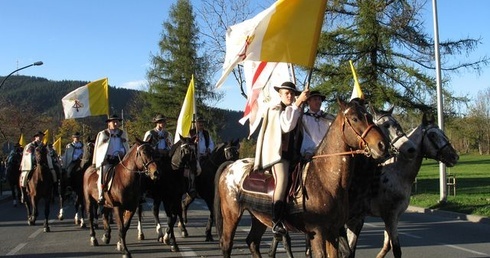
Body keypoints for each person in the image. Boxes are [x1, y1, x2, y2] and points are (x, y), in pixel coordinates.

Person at [254, 81, 309, 235]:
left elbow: (302, 134)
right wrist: (298, 103)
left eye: (292, 93)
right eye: (287, 93)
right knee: (283, 181)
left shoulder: (296, 111)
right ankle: (277, 221)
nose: (290, 96)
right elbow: (287, 125)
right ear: (280, 94)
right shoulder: (275, 109)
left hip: (294, 155)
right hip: (279, 155)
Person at [93, 114, 129, 204]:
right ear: (109, 123)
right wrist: (101, 159)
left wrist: (122, 151)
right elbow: (99, 148)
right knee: (103, 174)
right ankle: (101, 195)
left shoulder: (123, 134)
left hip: (120, 159)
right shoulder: (102, 134)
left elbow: (125, 146)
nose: (116, 123)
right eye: (114, 121)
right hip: (107, 159)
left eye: (117, 121)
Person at [20, 131, 58, 202]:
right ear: (36, 137)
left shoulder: (44, 146)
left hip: (43, 164)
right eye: (39, 136)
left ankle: (55, 189)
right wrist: (33, 160)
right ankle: (23, 194)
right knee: (24, 176)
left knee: (53, 173)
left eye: (42, 136)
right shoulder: (30, 145)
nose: (41, 137)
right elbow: (27, 155)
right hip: (32, 165)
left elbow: (48, 155)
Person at [300, 90, 335, 160]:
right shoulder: (303, 118)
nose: (318, 102)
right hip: (311, 153)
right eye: (315, 99)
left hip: (330, 151)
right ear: (308, 101)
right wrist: (308, 151)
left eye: (319, 99)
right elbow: (304, 136)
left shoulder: (329, 118)